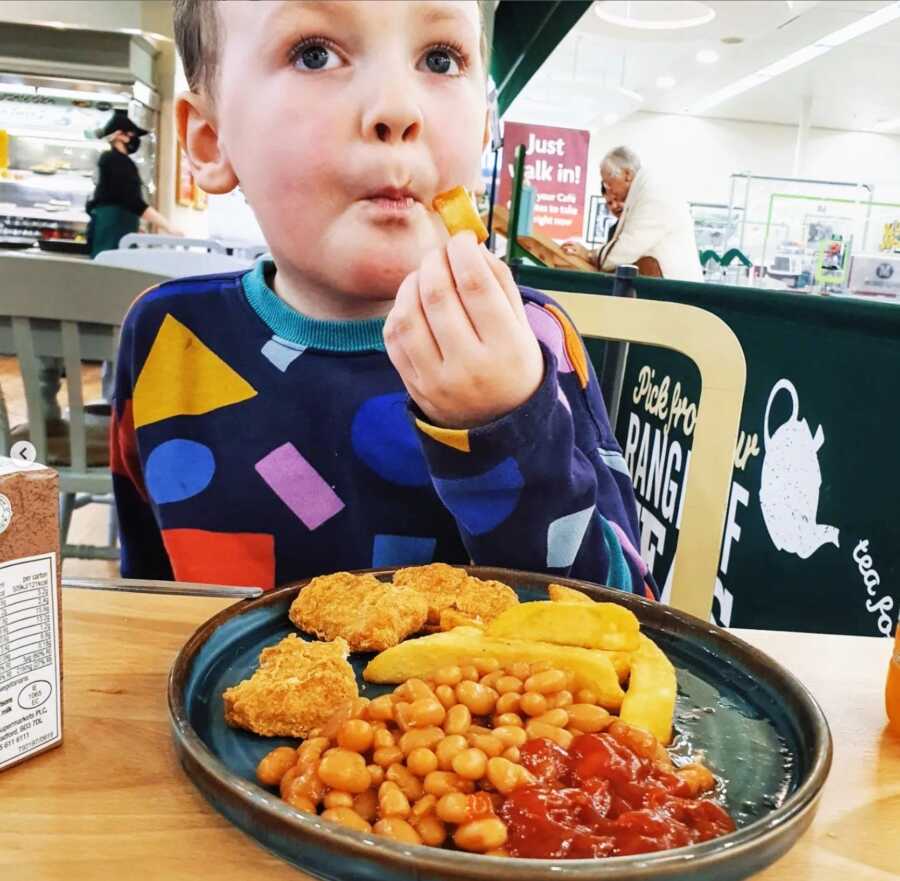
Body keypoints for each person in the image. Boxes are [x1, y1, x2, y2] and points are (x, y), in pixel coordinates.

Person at [109, 0, 654, 600]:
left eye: (440, 59)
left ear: (481, 127)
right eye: (314, 54)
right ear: (212, 141)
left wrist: (506, 426)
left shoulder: (534, 340)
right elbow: (148, 608)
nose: (398, 109)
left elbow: (623, 617)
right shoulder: (167, 337)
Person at [563, 146, 702, 282]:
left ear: (627, 175)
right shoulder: (643, 189)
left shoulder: (653, 192)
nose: (609, 190)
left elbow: (627, 248)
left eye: (608, 183)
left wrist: (589, 255)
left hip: (676, 294)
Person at [85, 109, 182, 256]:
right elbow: (133, 202)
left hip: (114, 229)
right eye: (132, 134)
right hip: (112, 231)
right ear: (120, 136)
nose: (135, 139)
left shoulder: (115, 160)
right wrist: (168, 226)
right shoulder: (114, 160)